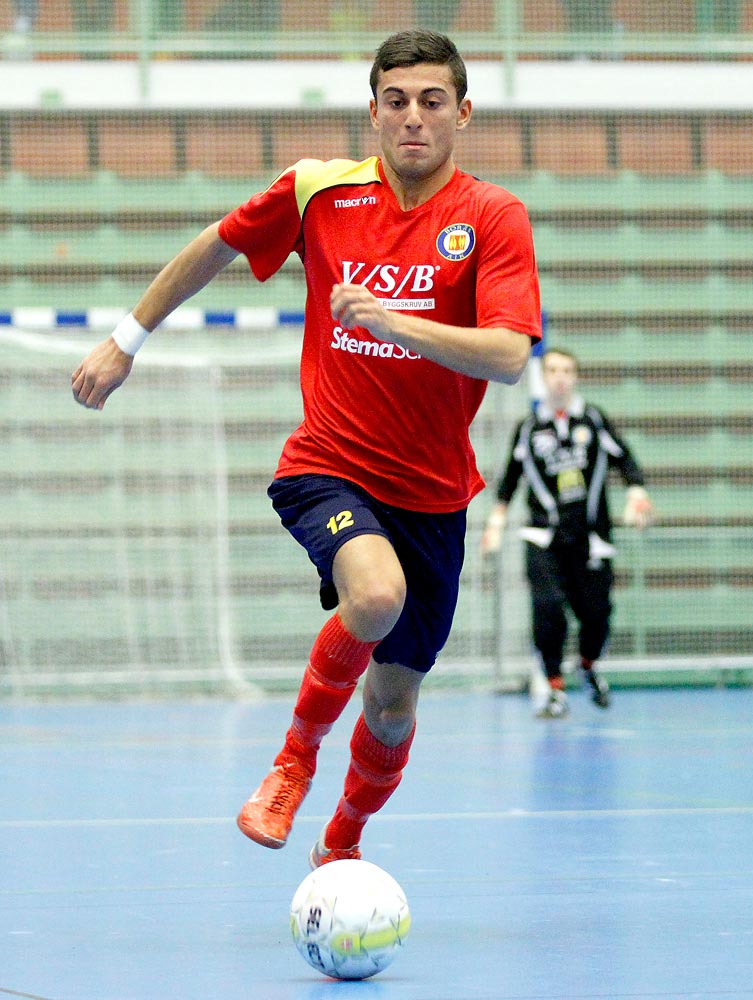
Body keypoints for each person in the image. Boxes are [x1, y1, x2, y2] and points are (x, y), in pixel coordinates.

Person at [71, 30, 542, 868]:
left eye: (432, 101)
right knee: (373, 596)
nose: (412, 118)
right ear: (372, 112)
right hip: (328, 465)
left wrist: (392, 321)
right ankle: (292, 761)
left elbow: (509, 356)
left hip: (433, 493)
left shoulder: (491, 216)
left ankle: (342, 843)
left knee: (393, 705)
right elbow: (212, 248)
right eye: (395, 101)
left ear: (462, 114)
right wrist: (124, 340)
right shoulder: (317, 191)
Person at [479, 347, 652, 718]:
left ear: (575, 377)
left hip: (590, 539)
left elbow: (626, 460)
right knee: (547, 608)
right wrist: (495, 525)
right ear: (544, 377)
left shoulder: (593, 420)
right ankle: (554, 688)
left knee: (596, 614)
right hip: (543, 537)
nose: (559, 377)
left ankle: (588, 665)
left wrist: (637, 494)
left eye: (567, 370)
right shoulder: (528, 428)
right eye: (552, 369)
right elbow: (509, 480)